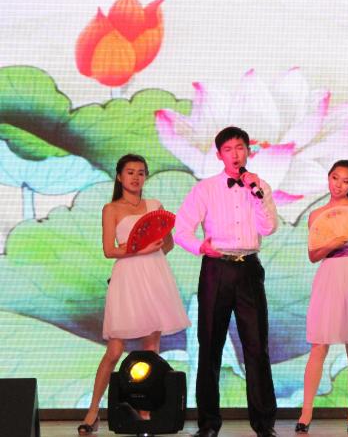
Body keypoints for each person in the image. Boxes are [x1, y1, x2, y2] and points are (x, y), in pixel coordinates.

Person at [175, 126, 280, 437]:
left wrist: (256, 194)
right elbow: (181, 230)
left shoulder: (260, 186)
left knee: (256, 347)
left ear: (248, 151)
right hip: (216, 268)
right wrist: (201, 247)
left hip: (248, 269)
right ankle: (208, 424)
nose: (235, 154)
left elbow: (268, 227)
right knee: (210, 346)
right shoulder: (205, 189)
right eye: (229, 149)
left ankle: (264, 425)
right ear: (219, 154)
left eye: (240, 148)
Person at [77, 154, 190, 435]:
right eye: (130, 172)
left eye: (141, 172)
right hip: (126, 278)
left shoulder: (155, 206)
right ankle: (93, 410)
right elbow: (109, 250)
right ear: (119, 176)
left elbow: (168, 244)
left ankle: (146, 411)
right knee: (115, 350)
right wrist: (139, 250)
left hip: (154, 276)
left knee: (151, 349)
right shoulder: (111, 209)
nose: (136, 177)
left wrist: (154, 250)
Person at [296, 160, 348, 435]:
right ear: (328, 178)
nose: (339, 185)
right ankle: (306, 413)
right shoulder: (316, 215)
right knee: (319, 344)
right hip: (328, 274)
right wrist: (333, 243)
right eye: (335, 178)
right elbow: (313, 255)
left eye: (346, 181)